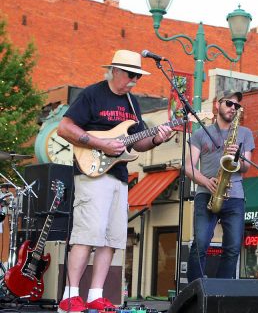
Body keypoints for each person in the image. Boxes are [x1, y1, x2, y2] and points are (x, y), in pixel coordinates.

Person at [57, 49, 172, 312]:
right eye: (131, 75)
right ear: (116, 70)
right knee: (88, 234)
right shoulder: (93, 94)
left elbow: (138, 143)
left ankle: (95, 294)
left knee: (112, 238)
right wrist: (101, 143)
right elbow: (65, 128)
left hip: (120, 176)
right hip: (92, 172)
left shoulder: (132, 103)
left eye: (138, 76)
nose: (134, 80)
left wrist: (158, 137)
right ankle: (71, 294)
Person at [185, 90, 255, 282]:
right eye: (228, 103)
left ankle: (223, 293)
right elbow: (189, 167)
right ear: (217, 104)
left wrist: (238, 157)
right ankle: (196, 293)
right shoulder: (200, 133)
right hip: (206, 193)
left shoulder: (245, 133)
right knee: (200, 244)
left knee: (232, 248)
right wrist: (206, 182)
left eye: (237, 106)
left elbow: (246, 167)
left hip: (235, 195)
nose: (233, 108)